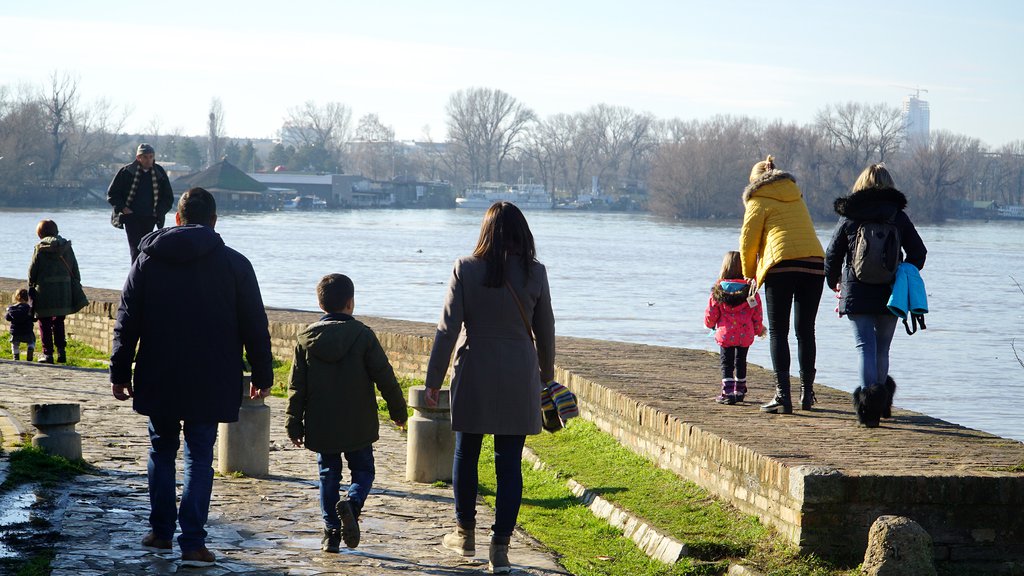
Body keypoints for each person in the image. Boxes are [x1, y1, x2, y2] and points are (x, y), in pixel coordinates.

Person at [109, 187, 273, 567]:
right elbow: (255, 325)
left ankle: (161, 532)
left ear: (177, 218)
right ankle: (193, 542)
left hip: (159, 372)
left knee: (161, 450)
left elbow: (126, 322)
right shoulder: (235, 265)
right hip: (211, 375)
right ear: (214, 221)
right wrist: (262, 373)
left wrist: (119, 370)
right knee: (200, 456)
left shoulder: (146, 261)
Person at [424, 201, 555, 575]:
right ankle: (500, 547)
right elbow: (546, 332)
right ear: (522, 233)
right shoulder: (536, 273)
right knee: (509, 463)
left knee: (467, 452)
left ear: (486, 232)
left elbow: (447, 329)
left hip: (475, 366)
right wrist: (546, 376)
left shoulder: (466, 269)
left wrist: (434, 381)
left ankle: (464, 533)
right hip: (519, 372)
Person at [285, 273, 408, 554]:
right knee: (364, 470)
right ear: (350, 303)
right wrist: (398, 411)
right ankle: (352, 504)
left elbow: (296, 387)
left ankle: (331, 534)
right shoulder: (363, 336)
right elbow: (385, 377)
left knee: (328, 475)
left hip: (321, 423)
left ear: (320, 304)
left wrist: (294, 424)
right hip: (358, 424)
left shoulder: (305, 340)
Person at [824, 163, 927, 427]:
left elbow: (832, 254)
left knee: (864, 347)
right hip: (890, 292)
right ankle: (880, 405)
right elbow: (919, 252)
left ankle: (868, 409)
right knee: (882, 347)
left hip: (855, 290)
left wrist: (834, 282)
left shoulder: (850, 215)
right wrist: (903, 272)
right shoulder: (897, 216)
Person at [739, 155, 825, 414]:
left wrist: (749, 275)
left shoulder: (757, 199)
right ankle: (807, 395)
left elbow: (748, 242)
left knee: (778, 332)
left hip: (781, 265)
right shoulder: (795, 194)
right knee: (806, 330)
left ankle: (782, 395)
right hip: (814, 263)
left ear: (754, 181)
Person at [704, 251, 765, 405]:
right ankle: (740, 390)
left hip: (725, 335)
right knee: (741, 361)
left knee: (726, 363)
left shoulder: (718, 292)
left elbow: (711, 313)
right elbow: (756, 314)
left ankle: (728, 392)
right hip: (745, 334)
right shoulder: (751, 292)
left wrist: (709, 325)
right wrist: (759, 329)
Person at [107, 143, 174, 263]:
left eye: (151, 156)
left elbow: (168, 197)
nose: (149, 160)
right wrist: (124, 209)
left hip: (150, 217)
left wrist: (158, 212)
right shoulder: (126, 172)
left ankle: (144, 277)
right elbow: (112, 194)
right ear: (138, 158)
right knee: (135, 250)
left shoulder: (159, 173)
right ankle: (136, 277)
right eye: (145, 157)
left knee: (147, 250)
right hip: (131, 217)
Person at [28, 219, 84, 364]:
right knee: (59, 321)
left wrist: (31, 284)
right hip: (63, 289)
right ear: (56, 230)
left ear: (40, 233)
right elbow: (74, 267)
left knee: (44, 322)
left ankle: (48, 354)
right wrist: (76, 282)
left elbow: (33, 269)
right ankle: (61, 352)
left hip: (44, 290)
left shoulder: (39, 247)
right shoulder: (66, 246)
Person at [5, 288, 35, 361]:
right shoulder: (29, 309)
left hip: (15, 332)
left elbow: (7, 318)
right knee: (31, 341)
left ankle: (16, 356)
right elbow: (34, 319)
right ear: (27, 298)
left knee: (15, 344)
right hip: (27, 331)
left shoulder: (12, 308)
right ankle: (30, 348)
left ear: (16, 297)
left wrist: (9, 310)